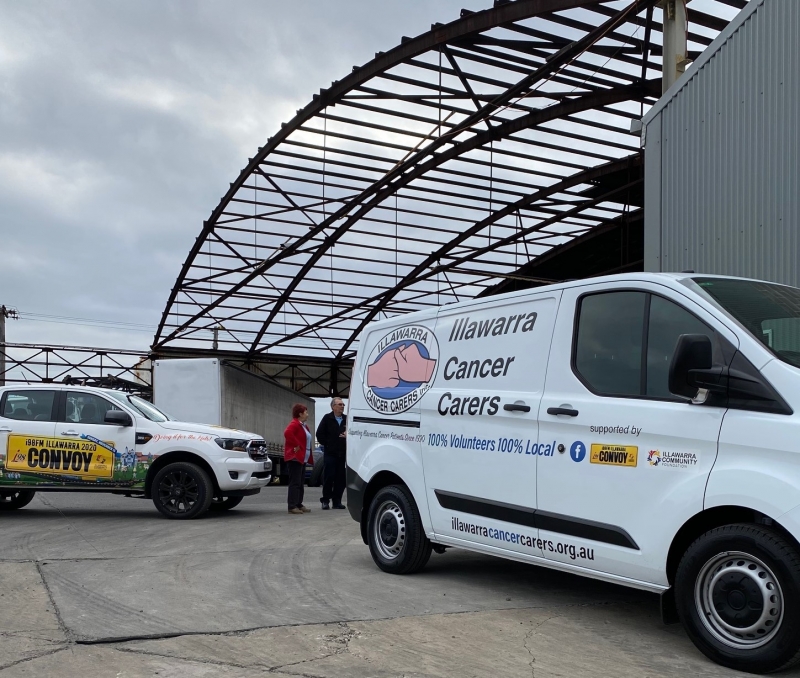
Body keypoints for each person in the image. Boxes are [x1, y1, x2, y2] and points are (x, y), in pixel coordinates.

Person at [316, 397, 347, 510]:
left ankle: (337, 501)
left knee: (341, 478)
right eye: (340, 404)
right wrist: (328, 444)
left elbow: (354, 432)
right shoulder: (327, 418)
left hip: (343, 454)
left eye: (343, 404)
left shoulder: (346, 419)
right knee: (329, 477)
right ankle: (325, 500)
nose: (342, 406)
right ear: (333, 406)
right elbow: (319, 434)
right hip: (330, 453)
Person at [284, 403, 313, 515]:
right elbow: (287, 433)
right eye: (305, 412)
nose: (307, 414)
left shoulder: (303, 425)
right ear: (300, 414)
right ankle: (292, 505)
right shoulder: (295, 424)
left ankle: (298, 503)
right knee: (295, 482)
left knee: (300, 482)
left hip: (302, 458)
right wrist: (297, 445)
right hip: (295, 458)